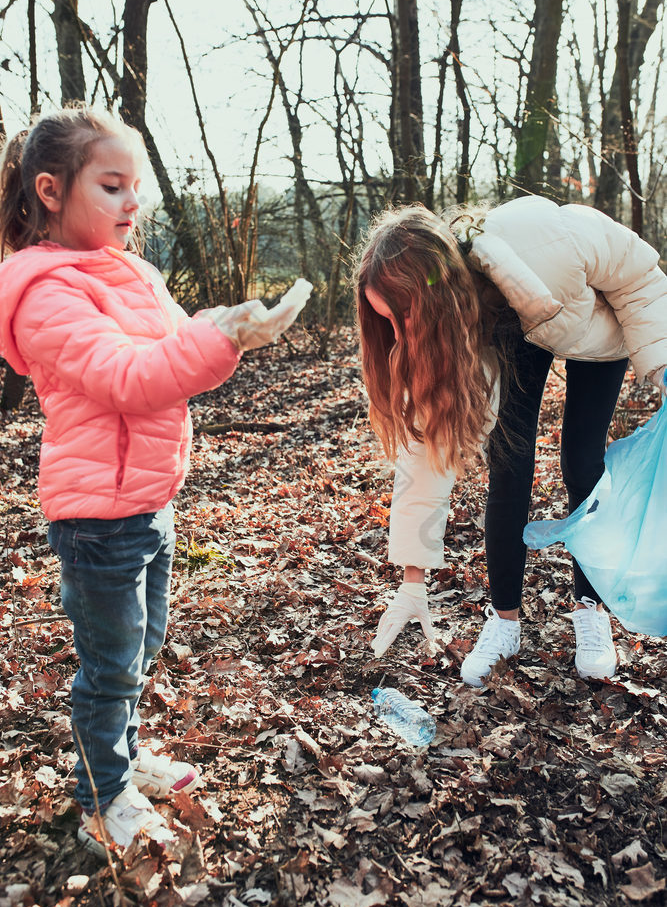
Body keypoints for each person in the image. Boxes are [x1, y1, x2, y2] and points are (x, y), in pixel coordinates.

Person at [0, 105, 310, 857]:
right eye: (112, 186)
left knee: (141, 648)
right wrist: (221, 339)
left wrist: (229, 321)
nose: (132, 202)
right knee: (109, 667)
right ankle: (101, 798)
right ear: (50, 191)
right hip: (96, 516)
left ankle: (125, 754)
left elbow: (178, 340)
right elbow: (133, 377)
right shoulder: (46, 293)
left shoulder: (131, 271)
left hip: (149, 499)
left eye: (134, 186)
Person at [356, 198, 667, 686]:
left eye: (403, 316)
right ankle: (504, 621)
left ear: (435, 293)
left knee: (582, 458)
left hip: (592, 324)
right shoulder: (449, 332)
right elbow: (427, 451)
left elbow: (640, 278)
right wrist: (412, 576)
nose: (399, 335)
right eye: (387, 321)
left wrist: (663, 361)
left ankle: (590, 608)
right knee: (508, 461)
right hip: (506, 332)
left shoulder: (550, 240)